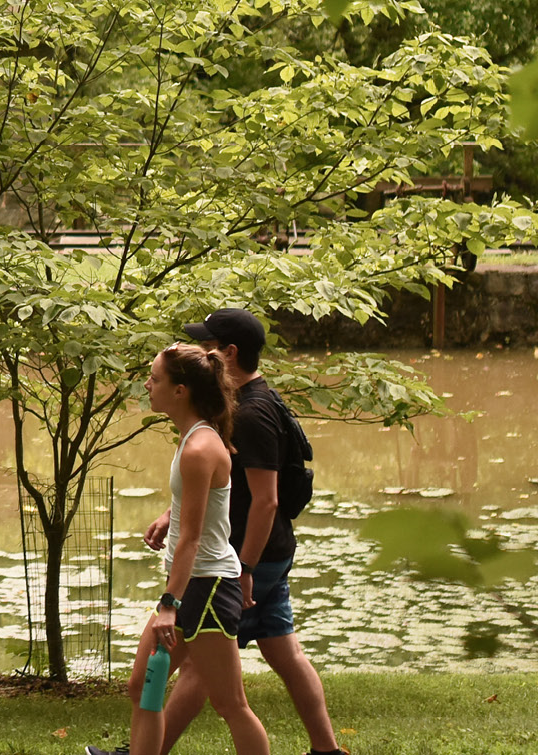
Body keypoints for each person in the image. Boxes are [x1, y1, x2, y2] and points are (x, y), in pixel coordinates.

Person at [149, 308, 348, 755]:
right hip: (256, 554)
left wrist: (246, 569)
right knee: (282, 651)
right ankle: (327, 750)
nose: (200, 352)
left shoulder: (254, 413)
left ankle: (146, 750)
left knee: (204, 669)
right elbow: (218, 482)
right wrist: (172, 511)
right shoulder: (238, 404)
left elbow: (266, 499)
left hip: (247, 558)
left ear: (229, 352)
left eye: (207, 344)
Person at [89, 344, 271, 755]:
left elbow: (192, 538)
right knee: (142, 688)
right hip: (191, 587)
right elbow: (194, 516)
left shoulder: (198, 448)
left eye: (155, 379)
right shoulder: (195, 437)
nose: (147, 386)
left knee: (231, 704)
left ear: (180, 391)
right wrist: (168, 516)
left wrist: (169, 604)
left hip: (203, 590)